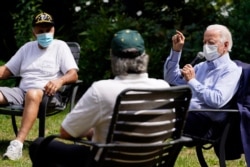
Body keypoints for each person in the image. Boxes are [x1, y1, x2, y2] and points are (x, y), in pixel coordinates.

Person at [29, 29, 171, 166]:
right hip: (149, 162)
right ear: (144, 57)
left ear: (113, 58)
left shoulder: (102, 90)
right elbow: (167, 131)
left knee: (38, 145)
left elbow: (66, 132)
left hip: (106, 162)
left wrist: (93, 131)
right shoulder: (163, 88)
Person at [0, 12, 79, 160]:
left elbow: (73, 74)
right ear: (33, 32)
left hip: (48, 96)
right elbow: (6, 71)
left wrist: (59, 81)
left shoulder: (60, 47)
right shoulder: (27, 48)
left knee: (33, 93)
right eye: (40, 31)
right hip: (21, 92)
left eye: (47, 30)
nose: (44, 34)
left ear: (53, 30)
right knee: (29, 92)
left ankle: (17, 144)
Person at [164, 24, 242, 145]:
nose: (206, 47)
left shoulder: (231, 70)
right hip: (188, 116)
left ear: (225, 45)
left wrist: (192, 81)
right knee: (153, 115)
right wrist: (176, 51)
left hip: (206, 124)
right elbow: (171, 78)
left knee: (156, 120)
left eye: (210, 43)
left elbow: (217, 100)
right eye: (204, 42)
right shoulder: (202, 66)